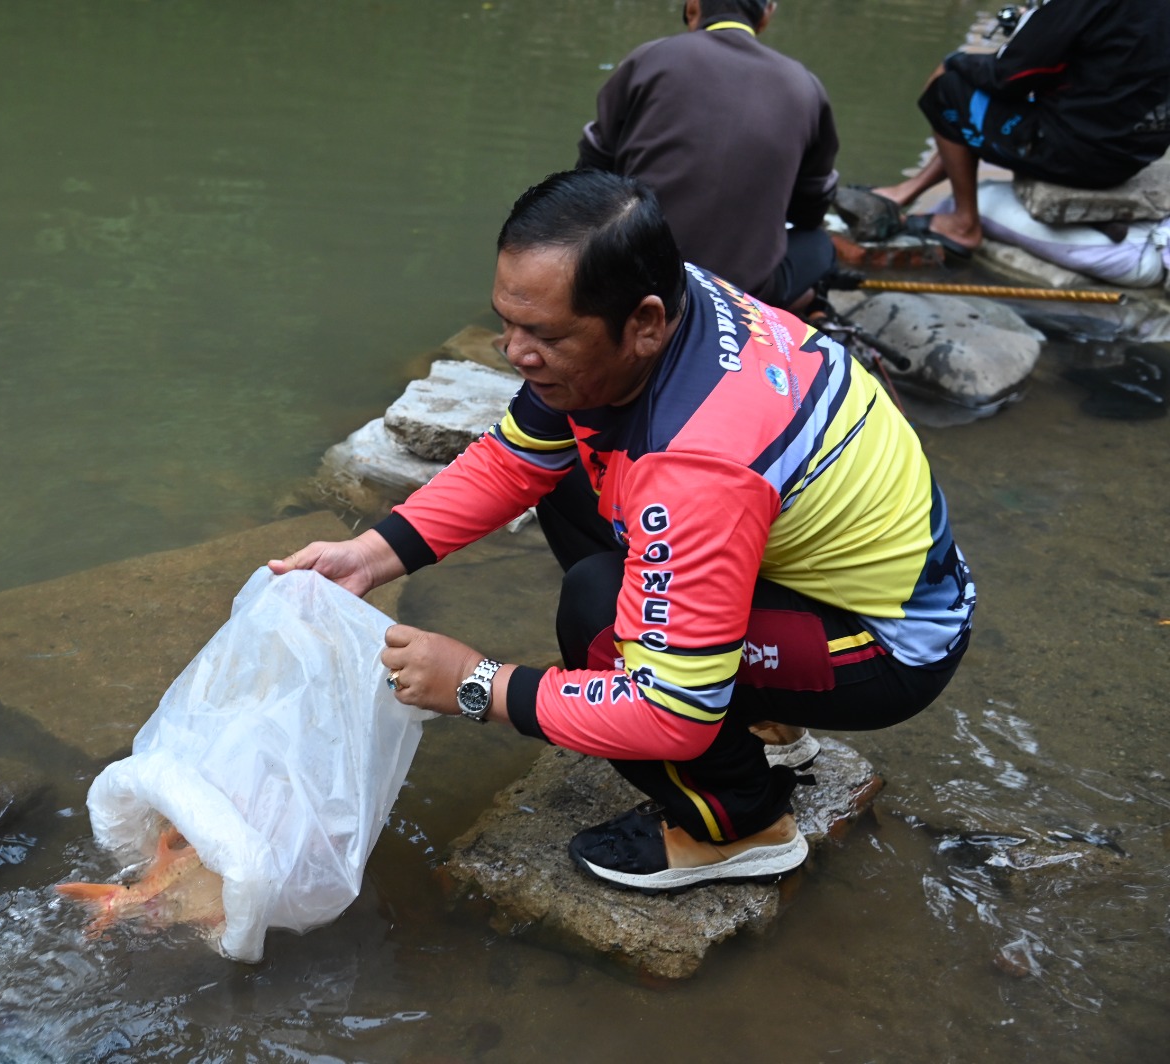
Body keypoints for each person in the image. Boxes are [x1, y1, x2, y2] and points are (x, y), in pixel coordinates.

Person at [270, 169, 974, 893]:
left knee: (600, 617)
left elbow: (670, 712)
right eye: (508, 323)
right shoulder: (667, 302)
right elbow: (516, 458)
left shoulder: (698, 462)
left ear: (644, 323)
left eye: (544, 335)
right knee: (567, 482)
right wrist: (369, 556)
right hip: (815, 567)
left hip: (885, 642)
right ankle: (765, 723)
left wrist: (476, 684)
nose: (514, 351)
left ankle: (741, 825)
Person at [576, 0, 839, 309]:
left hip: (630, 275)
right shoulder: (804, 86)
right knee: (820, 245)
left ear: (692, 7)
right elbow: (810, 210)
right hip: (738, 293)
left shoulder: (649, 58)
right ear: (767, 14)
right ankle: (793, 312)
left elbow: (589, 174)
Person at [874, 0, 1170, 256]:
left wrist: (961, 60)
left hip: (1077, 154)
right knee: (974, 97)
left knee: (948, 86)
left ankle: (963, 224)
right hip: (1135, 151)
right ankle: (909, 190)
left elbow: (1010, 76)